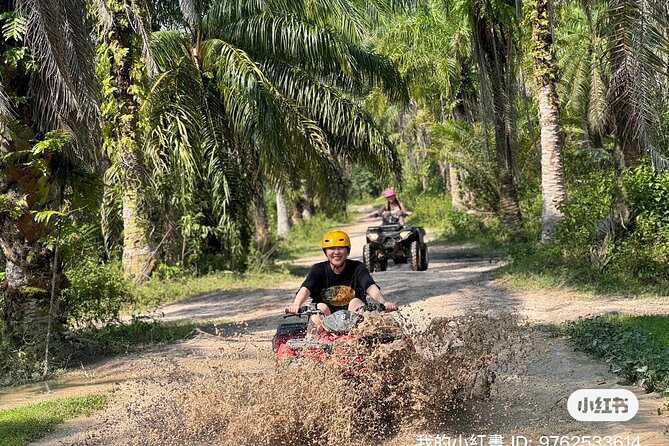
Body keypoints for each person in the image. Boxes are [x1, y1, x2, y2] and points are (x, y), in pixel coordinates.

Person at [288, 229, 398, 332]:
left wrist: (384, 303)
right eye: (332, 248)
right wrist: (296, 304)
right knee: (321, 307)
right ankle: (311, 343)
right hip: (325, 320)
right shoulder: (318, 269)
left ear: (347, 251)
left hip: (353, 321)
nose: (336, 252)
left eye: (341, 248)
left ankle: (364, 340)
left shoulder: (358, 267)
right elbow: (305, 289)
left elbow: (370, 286)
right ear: (325, 251)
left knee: (355, 302)